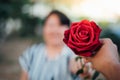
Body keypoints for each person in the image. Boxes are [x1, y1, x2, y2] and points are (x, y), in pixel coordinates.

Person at [19, 10, 89, 80]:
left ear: (68, 29)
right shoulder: (31, 52)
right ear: (44, 28)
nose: (55, 30)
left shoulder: (74, 54)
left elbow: (83, 70)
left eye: (60, 25)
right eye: (51, 25)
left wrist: (82, 69)